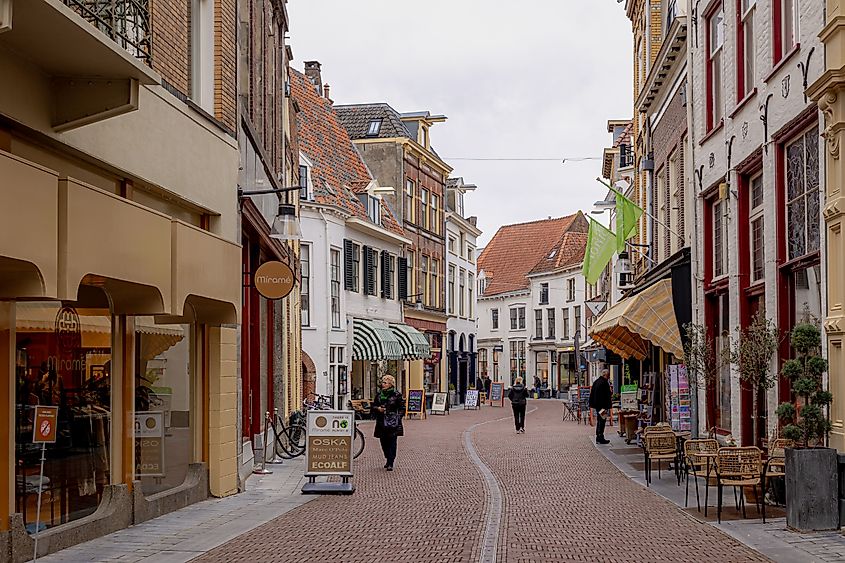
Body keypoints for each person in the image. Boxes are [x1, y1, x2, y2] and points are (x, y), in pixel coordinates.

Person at [371, 375, 405, 471]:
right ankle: (387, 457)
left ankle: (390, 462)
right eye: (383, 382)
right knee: (383, 442)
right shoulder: (378, 395)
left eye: (385, 383)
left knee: (392, 442)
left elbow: (402, 408)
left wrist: (398, 417)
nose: (383, 384)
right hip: (381, 422)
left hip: (392, 422)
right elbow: (373, 406)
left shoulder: (396, 395)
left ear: (390, 384)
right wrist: (378, 409)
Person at [590, 369, 612, 444]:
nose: (609, 377)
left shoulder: (596, 382)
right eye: (608, 375)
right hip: (603, 406)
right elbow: (606, 395)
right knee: (602, 420)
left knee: (600, 420)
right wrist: (607, 405)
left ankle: (598, 437)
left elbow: (592, 394)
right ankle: (600, 437)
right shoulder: (604, 383)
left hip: (597, 405)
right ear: (605, 375)